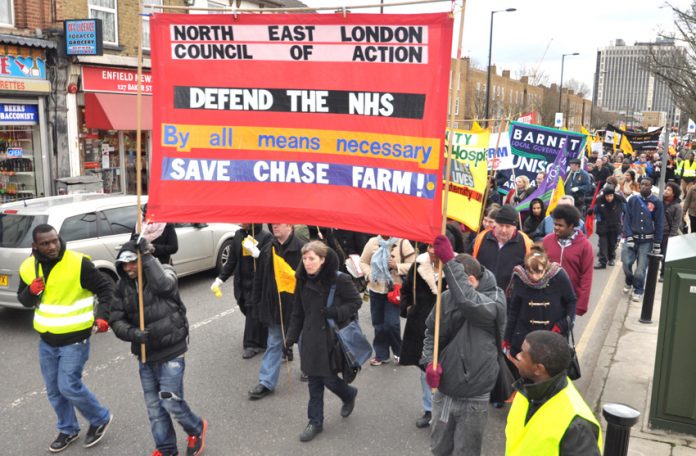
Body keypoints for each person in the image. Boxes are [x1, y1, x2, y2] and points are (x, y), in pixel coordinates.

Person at [17, 224, 114, 453]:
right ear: (35, 246)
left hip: (75, 340)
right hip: (47, 341)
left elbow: (107, 289)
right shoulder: (28, 267)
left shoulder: (78, 263)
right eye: (45, 243)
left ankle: (100, 418)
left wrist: (102, 317)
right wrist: (30, 291)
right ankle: (68, 429)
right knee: (53, 390)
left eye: (55, 241)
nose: (52, 246)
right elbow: (24, 301)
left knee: (68, 386)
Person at [109, 239, 207, 456]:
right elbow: (116, 320)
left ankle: (196, 428)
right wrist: (132, 333)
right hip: (145, 354)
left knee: (170, 401)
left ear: (143, 258)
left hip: (172, 349)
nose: (128, 268)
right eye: (124, 264)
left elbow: (165, 286)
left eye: (132, 262)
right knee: (154, 408)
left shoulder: (165, 271)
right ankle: (166, 448)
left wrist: (146, 255)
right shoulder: (122, 286)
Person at [423, 237, 506, 456]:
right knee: (439, 448)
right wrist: (428, 363)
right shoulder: (447, 296)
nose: (448, 287)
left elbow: (470, 303)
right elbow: (432, 332)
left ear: (469, 279)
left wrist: (449, 261)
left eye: (451, 280)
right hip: (445, 391)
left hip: (474, 396)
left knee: (465, 452)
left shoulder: (496, 299)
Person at [284, 241, 362, 442]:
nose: (307, 263)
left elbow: (356, 302)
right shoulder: (301, 280)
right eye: (305, 258)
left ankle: (348, 394)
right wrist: (290, 339)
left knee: (327, 378)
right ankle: (315, 422)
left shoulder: (339, 280)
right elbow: (298, 312)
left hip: (330, 338)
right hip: (310, 338)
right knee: (314, 381)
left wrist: (336, 312)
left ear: (322, 260)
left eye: (312, 259)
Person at [506, 331, 602, 455]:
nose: (518, 356)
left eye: (523, 354)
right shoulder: (526, 389)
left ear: (538, 369)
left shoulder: (577, 426)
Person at [248, 223, 305, 399]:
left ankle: (309, 369)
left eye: (278, 224)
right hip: (274, 305)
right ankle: (266, 382)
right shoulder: (268, 248)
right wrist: (256, 302)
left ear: (290, 226)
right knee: (273, 342)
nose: (274, 227)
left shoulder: (303, 248)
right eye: (272, 224)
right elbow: (259, 277)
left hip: (298, 306)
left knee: (304, 340)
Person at [400, 243, 446, 429]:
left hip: (447, 329)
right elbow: (405, 290)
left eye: (437, 247)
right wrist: (409, 308)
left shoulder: (456, 267)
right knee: (425, 371)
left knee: (446, 370)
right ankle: (429, 410)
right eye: (429, 246)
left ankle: (445, 410)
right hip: (421, 327)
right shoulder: (418, 265)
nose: (432, 251)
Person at [211, 224, 272, 359]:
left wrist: (259, 255)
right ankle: (263, 337)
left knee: (252, 310)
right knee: (245, 307)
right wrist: (220, 279)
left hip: (257, 283)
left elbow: (271, 260)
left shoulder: (266, 237)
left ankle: (251, 344)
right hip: (241, 282)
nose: (240, 221)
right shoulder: (238, 235)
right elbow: (232, 260)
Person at [504, 246, 577, 360]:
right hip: (525, 338)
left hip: (552, 336)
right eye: (530, 272)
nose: (534, 277)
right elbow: (514, 311)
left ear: (545, 267)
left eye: (539, 272)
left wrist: (561, 325)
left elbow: (571, 301)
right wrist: (507, 338)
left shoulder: (559, 276)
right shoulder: (519, 278)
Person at [360, 235, 415, 365]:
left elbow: (414, 264)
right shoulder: (372, 242)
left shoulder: (403, 242)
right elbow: (363, 262)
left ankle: (399, 352)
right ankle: (381, 354)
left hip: (394, 290)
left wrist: (397, 266)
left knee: (391, 324)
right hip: (375, 289)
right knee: (378, 324)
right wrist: (369, 274)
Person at [542, 205, 594, 316]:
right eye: (555, 224)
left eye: (560, 225)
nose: (555, 228)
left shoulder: (585, 246)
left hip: (569, 302)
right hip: (546, 299)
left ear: (571, 226)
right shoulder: (547, 241)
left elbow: (586, 277)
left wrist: (580, 306)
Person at [471, 204, 533, 291]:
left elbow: (530, 273)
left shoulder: (525, 243)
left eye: (508, 227)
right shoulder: (482, 237)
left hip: (509, 299)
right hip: (482, 296)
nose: (503, 230)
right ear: (495, 224)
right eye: (501, 225)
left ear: (514, 227)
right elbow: (473, 264)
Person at [622, 177, 664, 302]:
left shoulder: (656, 202)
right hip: (632, 238)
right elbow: (627, 219)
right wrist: (628, 235)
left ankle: (638, 289)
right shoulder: (633, 200)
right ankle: (629, 280)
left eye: (647, 185)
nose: (644, 187)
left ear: (651, 186)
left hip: (647, 240)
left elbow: (659, 223)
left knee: (641, 269)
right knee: (626, 263)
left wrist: (657, 243)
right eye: (642, 184)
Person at [594, 184, 626, 269]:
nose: (609, 198)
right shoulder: (599, 200)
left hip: (614, 226)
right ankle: (602, 262)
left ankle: (611, 258)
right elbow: (595, 210)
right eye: (607, 196)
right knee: (602, 245)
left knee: (612, 244)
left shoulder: (619, 200)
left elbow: (626, 211)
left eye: (611, 196)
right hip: (603, 226)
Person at [660, 182, 682, 280]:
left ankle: (663, 274)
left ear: (674, 193)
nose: (665, 191)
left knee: (665, 256)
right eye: (665, 188)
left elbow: (676, 224)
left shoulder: (677, 207)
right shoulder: (659, 202)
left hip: (667, 234)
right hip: (657, 232)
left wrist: (671, 237)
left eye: (669, 190)